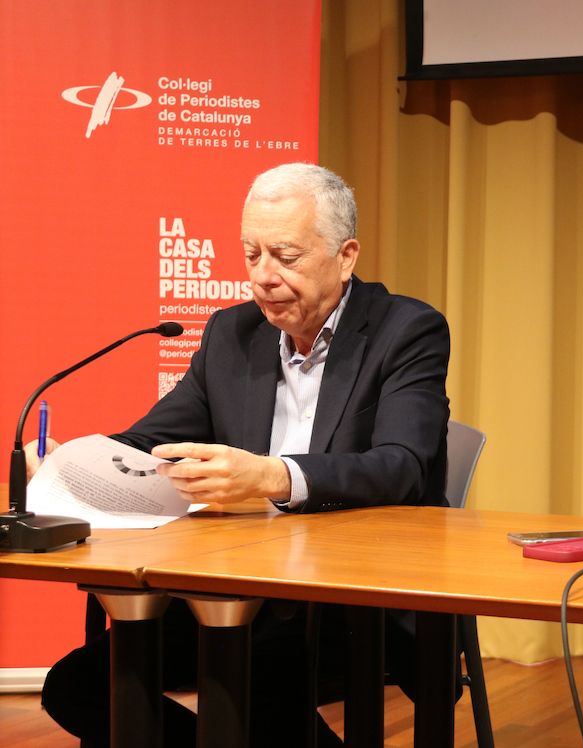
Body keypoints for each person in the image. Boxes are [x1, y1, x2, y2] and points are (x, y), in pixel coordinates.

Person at [33, 162, 451, 746]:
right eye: (251, 254)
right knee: (77, 684)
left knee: (255, 676)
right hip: (235, 584)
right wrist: (69, 461)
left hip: (348, 600)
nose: (263, 276)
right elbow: (150, 437)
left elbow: (403, 465)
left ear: (346, 255)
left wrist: (275, 477)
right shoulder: (231, 333)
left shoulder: (406, 330)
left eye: (286, 256)